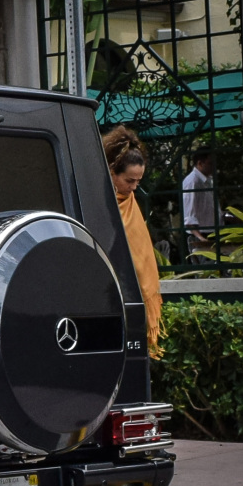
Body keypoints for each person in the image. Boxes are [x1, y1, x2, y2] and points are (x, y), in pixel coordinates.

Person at [103, 126, 161, 357]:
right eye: (129, 180)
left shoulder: (129, 201)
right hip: (108, 293)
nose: (134, 187)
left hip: (130, 293)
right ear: (111, 172)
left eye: (138, 181)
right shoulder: (101, 201)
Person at [182, 149, 218, 262]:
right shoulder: (192, 182)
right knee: (206, 272)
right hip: (201, 235)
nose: (213, 167)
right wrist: (200, 238)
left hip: (211, 232)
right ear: (200, 163)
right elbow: (189, 216)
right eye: (210, 163)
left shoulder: (207, 180)